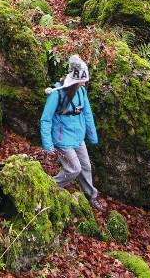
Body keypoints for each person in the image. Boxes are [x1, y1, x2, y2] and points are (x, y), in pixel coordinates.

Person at [40, 54, 102, 209]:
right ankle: (50, 187)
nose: (86, 81)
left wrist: (92, 135)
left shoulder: (81, 92)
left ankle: (91, 195)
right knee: (74, 169)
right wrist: (48, 145)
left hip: (77, 137)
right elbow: (46, 119)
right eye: (84, 78)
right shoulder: (57, 94)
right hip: (61, 139)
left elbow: (87, 114)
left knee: (86, 166)